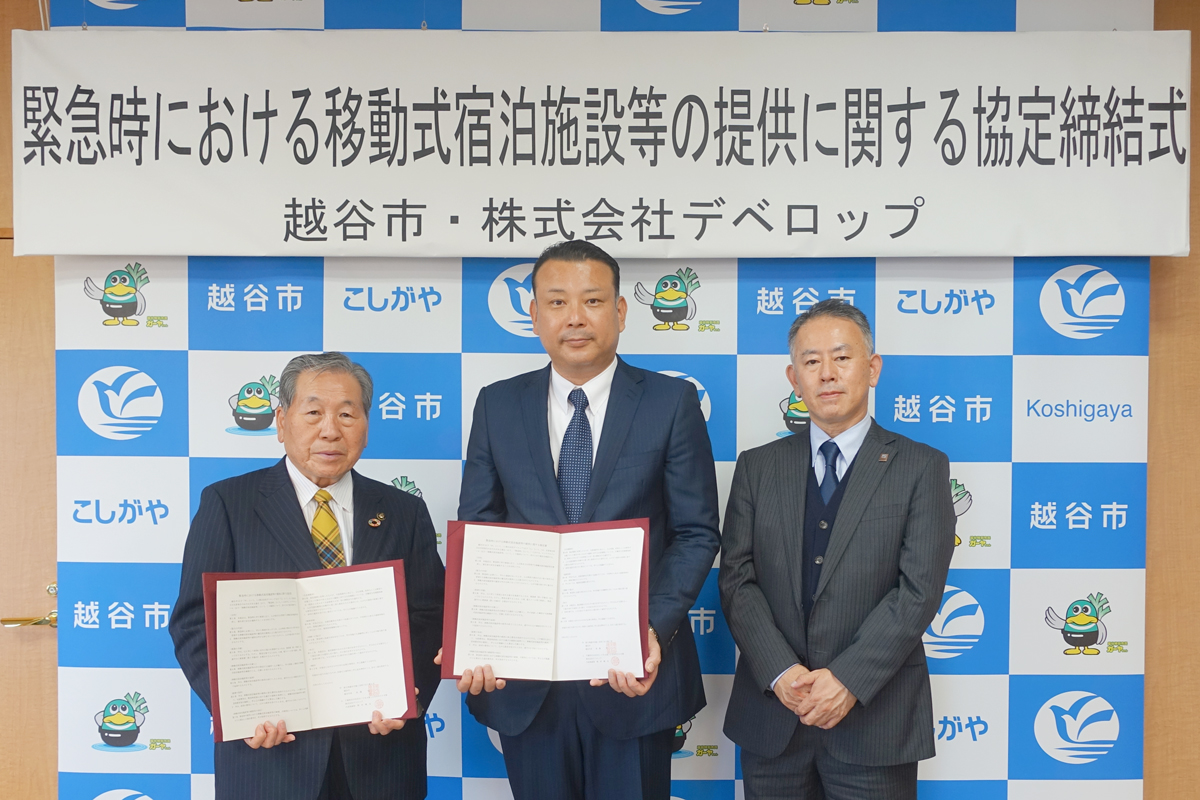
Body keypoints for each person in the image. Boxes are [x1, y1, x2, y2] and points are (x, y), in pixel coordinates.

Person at [447, 240, 721, 800]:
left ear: (619, 311)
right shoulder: (497, 405)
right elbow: (479, 532)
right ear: (534, 315)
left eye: (592, 300)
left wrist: (649, 630)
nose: (575, 317)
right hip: (525, 680)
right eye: (557, 302)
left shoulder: (671, 402)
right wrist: (477, 635)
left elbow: (696, 532)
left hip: (632, 674)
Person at [169, 352, 444, 800]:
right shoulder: (228, 504)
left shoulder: (403, 511)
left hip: (379, 756)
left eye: (347, 414)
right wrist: (240, 709)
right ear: (281, 421)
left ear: (366, 425)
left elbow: (429, 615)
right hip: (270, 759)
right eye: (313, 413)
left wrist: (406, 697)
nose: (330, 430)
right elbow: (193, 622)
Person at [719, 299, 955, 800]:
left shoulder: (921, 467)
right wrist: (781, 672)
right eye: (811, 361)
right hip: (774, 717)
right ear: (794, 378)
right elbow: (737, 579)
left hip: (875, 719)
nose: (827, 373)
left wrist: (847, 679)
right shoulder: (757, 467)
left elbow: (917, 591)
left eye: (842, 358)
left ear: (872, 369)